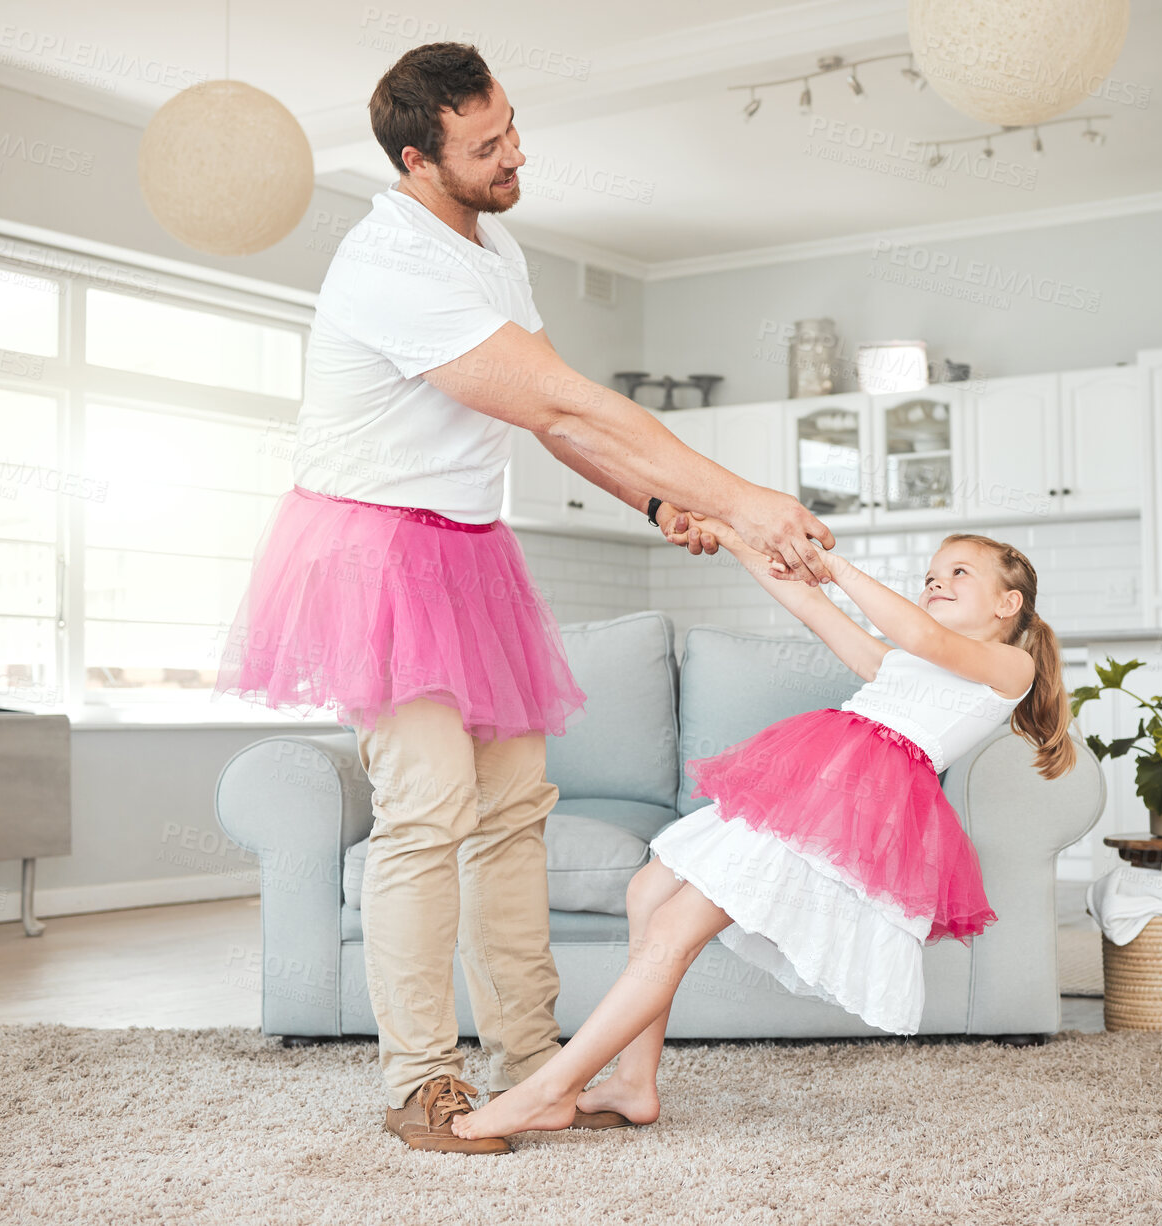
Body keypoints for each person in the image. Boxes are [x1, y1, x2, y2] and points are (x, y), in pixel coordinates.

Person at [212, 42, 830, 1156]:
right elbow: (566, 394)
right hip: (373, 551)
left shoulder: (494, 244)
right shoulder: (387, 261)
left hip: (467, 551)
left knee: (511, 814)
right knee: (427, 811)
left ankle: (532, 1060)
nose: (515, 155)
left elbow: (554, 420)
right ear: (418, 157)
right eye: (486, 145)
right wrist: (740, 500)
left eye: (511, 128)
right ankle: (419, 1083)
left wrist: (655, 504)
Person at [451, 527, 1078, 1142]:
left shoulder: (1009, 664)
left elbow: (920, 630)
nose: (937, 580)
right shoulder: (907, 664)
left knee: (673, 928)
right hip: (812, 781)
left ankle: (549, 1091)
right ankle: (633, 1084)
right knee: (647, 893)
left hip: (848, 801)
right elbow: (811, 605)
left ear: (1007, 603)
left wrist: (838, 569)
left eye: (958, 572)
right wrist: (732, 532)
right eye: (931, 576)